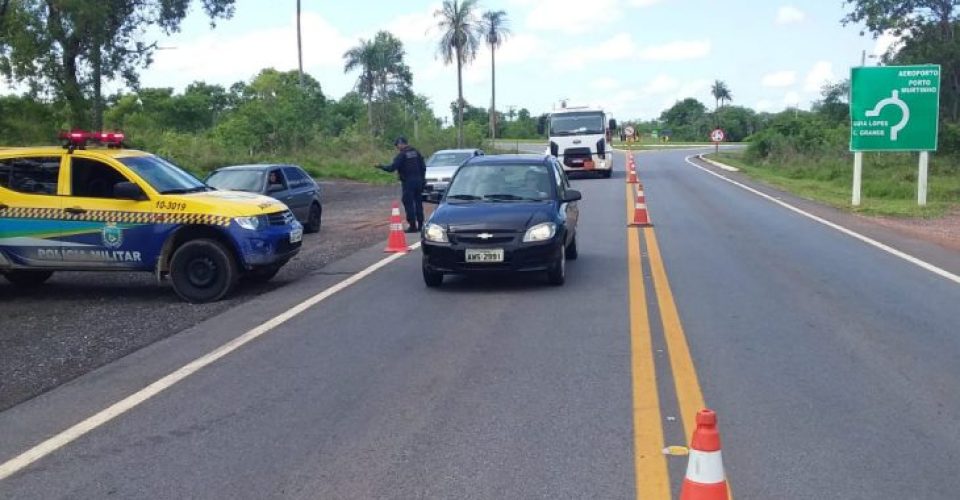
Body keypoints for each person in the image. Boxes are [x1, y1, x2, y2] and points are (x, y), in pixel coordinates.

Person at [376, 136, 426, 233]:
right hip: (419, 181)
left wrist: (380, 166)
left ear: (401, 144)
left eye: (397, 145)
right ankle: (420, 225)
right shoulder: (416, 152)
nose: (397, 147)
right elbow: (423, 167)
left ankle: (412, 226)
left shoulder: (402, 155)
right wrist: (423, 180)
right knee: (418, 202)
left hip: (408, 182)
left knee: (408, 202)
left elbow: (391, 168)